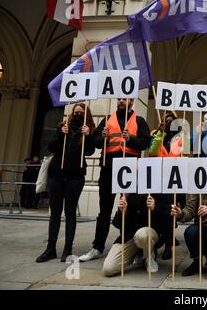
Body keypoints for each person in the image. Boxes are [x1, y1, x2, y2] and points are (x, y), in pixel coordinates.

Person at [79, 98, 150, 262]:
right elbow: (95, 143)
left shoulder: (139, 121)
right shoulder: (107, 119)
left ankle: (129, 248)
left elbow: (145, 143)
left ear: (131, 102)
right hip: (108, 168)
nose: (121, 101)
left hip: (129, 168)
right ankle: (97, 247)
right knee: (104, 210)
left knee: (129, 209)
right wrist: (101, 137)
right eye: (119, 99)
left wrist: (131, 139)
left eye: (124, 99)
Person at [36, 103, 96, 262]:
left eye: (80, 113)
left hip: (75, 177)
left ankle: (68, 248)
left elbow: (90, 151)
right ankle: (50, 248)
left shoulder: (88, 130)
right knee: (55, 213)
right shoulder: (62, 127)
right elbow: (51, 147)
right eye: (75, 112)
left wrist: (88, 135)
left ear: (85, 116)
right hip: (56, 176)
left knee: (70, 212)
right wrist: (61, 134)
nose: (77, 115)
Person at [148, 111, 185, 260]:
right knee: (158, 210)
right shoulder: (155, 134)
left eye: (171, 120)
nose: (169, 123)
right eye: (166, 120)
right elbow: (152, 151)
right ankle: (161, 239)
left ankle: (169, 246)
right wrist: (160, 134)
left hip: (175, 177)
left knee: (171, 212)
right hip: (159, 177)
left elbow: (184, 155)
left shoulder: (181, 137)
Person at [102, 194, 161, 277]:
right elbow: (119, 224)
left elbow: (165, 220)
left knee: (142, 235)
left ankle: (149, 256)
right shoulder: (128, 191)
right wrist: (123, 212)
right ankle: (137, 254)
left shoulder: (157, 189)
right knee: (108, 269)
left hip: (148, 234)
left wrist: (154, 209)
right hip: (130, 236)